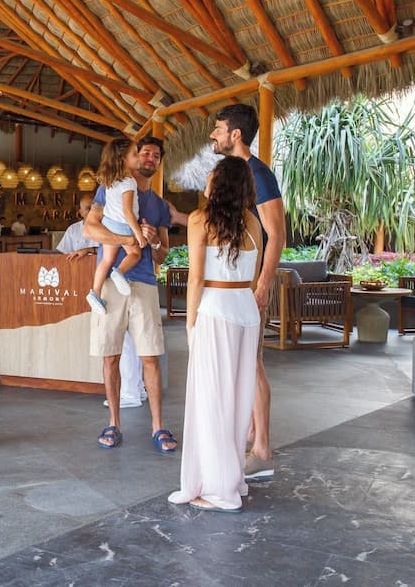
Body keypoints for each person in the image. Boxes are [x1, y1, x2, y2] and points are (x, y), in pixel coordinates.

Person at [168, 156, 263, 513]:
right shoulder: (253, 222)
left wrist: (190, 324)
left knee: (211, 400)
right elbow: (253, 278)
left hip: (214, 310)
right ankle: (230, 480)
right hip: (245, 311)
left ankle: (219, 490)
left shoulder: (200, 219)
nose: (206, 181)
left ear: (219, 183)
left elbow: (195, 278)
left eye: (210, 176)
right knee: (237, 399)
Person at [83, 136, 176, 452]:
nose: (150, 158)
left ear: (159, 162)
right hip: (111, 282)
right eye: (145, 152)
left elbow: (162, 253)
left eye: (156, 155)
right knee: (110, 356)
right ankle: (113, 422)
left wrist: (153, 240)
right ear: (134, 157)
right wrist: (127, 239)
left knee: (150, 356)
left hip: (145, 282)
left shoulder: (159, 205)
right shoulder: (108, 187)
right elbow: (89, 229)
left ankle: (158, 426)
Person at [211, 104, 285, 482]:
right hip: (233, 286)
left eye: (218, 129)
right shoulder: (234, 175)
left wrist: (263, 284)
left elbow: (277, 233)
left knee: (252, 365)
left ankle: (263, 451)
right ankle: (253, 437)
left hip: (249, 287)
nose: (213, 135)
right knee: (245, 365)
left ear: (235, 134)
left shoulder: (258, 174)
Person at [56, 194, 146, 409]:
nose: (90, 211)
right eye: (87, 208)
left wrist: (89, 250)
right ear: (80, 211)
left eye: (93, 207)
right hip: (104, 282)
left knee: (127, 340)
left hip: (118, 282)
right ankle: (134, 389)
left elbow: (110, 247)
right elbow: (61, 255)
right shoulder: (75, 229)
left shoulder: (113, 223)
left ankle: (132, 391)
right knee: (123, 340)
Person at [87, 138, 148, 315]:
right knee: (135, 254)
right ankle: (119, 272)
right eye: (135, 154)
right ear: (123, 159)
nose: (138, 157)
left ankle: (95, 292)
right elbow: (127, 212)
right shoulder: (129, 182)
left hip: (108, 224)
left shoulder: (110, 180)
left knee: (106, 260)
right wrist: (138, 234)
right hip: (123, 225)